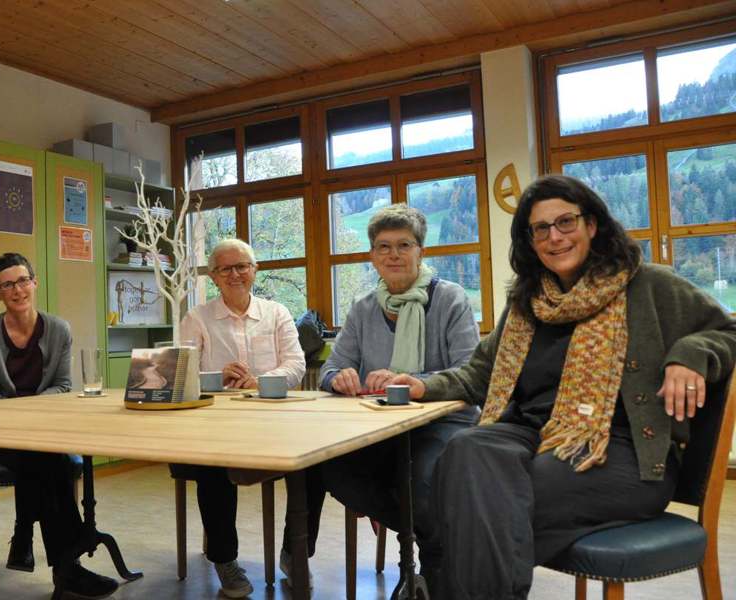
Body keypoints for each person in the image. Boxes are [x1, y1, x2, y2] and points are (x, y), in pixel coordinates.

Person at [390, 174, 736, 599]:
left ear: (592, 225)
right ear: (530, 240)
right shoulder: (527, 302)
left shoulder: (647, 285)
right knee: (465, 451)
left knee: (472, 502)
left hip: (619, 451)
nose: (555, 237)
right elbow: (479, 373)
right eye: (541, 229)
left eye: (566, 222)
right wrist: (422, 387)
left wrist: (692, 353)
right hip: (533, 436)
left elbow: (729, 332)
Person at [318, 204, 480, 594]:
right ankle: (435, 543)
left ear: (420, 251)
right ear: (372, 256)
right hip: (377, 426)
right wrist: (336, 377)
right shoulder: (363, 307)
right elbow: (330, 369)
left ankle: (430, 574)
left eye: (404, 245)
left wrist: (411, 381)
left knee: (423, 481)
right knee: (329, 469)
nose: (393, 254)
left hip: (444, 423)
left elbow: (471, 375)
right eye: (383, 246)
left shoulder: (450, 300)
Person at [0, 252, 118, 599]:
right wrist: (28, 415)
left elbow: (64, 386)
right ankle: (68, 568)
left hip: (43, 433)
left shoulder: (58, 329)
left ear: (35, 282)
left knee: (45, 457)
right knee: (53, 461)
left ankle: (26, 533)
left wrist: (31, 415)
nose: (17, 289)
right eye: (7, 284)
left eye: (23, 280)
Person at [175, 238, 306, 598]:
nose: (235, 274)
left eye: (242, 266)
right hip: (215, 426)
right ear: (213, 276)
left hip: (272, 422)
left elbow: (296, 365)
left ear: (255, 270)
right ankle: (224, 558)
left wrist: (260, 381)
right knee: (212, 463)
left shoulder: (276, 313)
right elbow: (181, 373)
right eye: (225, 268)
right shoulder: (197, 318)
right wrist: (217, 375)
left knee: (315, 460)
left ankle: (294, 553)